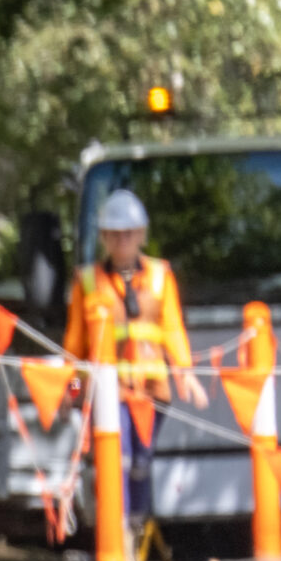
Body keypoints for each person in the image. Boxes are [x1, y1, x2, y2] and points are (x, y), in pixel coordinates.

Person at [60, 187, 206, 539]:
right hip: (109, 394)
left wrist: (185, 374)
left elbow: (172, 328)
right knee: (118, 456)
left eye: (129, 233)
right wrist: (72, 390)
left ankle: (139, 524)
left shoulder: (160, 276)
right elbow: (75, 347)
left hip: (153, 390)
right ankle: (118, 529)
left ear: (141, 235)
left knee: (141, 461)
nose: (122, 241)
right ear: (105, 238)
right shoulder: (88, 281)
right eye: (114, 234)